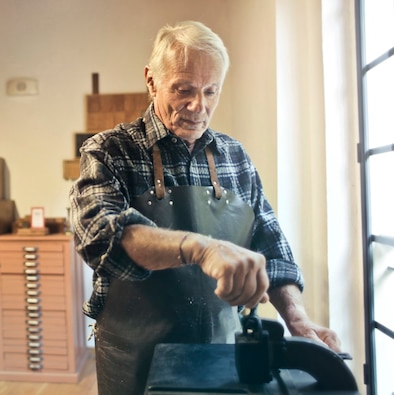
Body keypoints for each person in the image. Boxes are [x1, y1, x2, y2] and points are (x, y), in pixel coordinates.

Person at [69, 20, 341, 395]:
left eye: (211, 91)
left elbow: (272, 246)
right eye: (184, 89)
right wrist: (202, 248)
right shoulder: (109, 151)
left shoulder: (234, 156)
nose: (199, 106)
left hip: (222, 356)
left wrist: (297, 319)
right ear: (151, 80)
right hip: (136, 362)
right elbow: (100, 236)